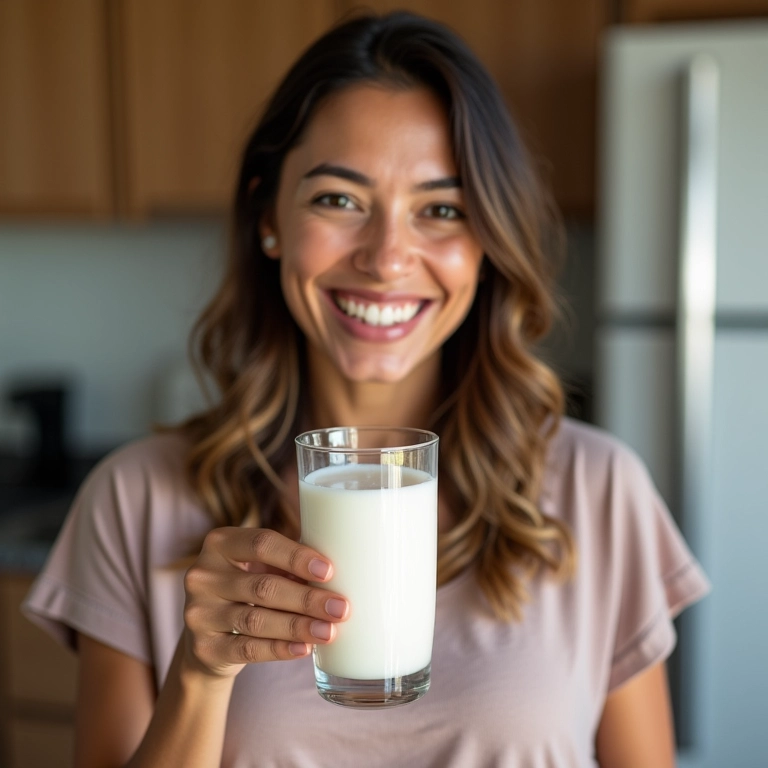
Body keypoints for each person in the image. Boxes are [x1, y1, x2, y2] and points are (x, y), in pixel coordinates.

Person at [23, 11, 709, 768]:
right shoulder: (134, 501)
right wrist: (200, 675)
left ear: (487, 242)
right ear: (268, 216)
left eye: (441, 209)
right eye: (339, 200)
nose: (386, 259)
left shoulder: (598, 492)